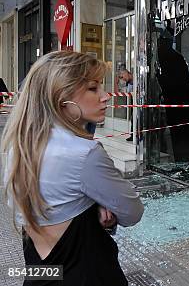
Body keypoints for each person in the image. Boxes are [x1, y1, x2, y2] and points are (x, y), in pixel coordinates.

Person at [1, 51, 144, 286]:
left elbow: (53, 204)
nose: (105, 96)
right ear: (61, 97)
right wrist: (100, 209)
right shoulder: (85, 153)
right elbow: (132, 211)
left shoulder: (21, 147)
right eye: (92, 88)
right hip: (88, 275)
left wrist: (89, 206)